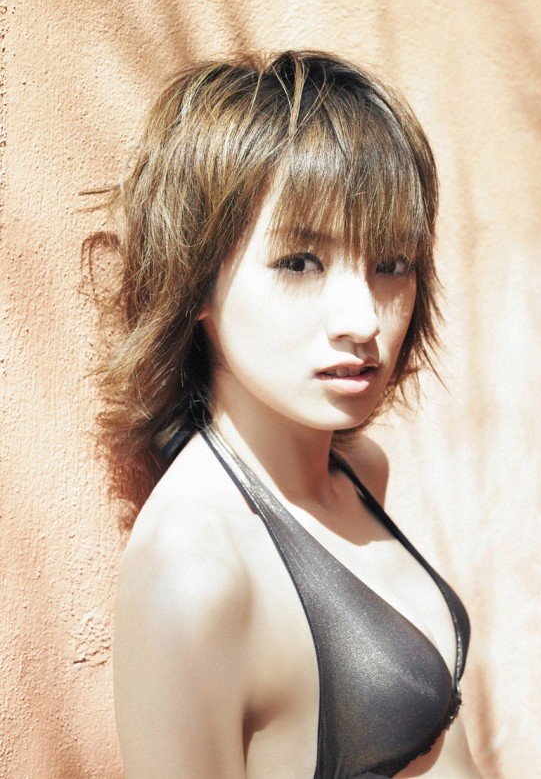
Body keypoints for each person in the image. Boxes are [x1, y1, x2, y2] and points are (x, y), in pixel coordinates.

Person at [93, 50, 480, 777]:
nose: (362, 319)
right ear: (194, 282)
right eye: (300, 262)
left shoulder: (359, 470)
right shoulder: (193, 571)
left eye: (391, 263)